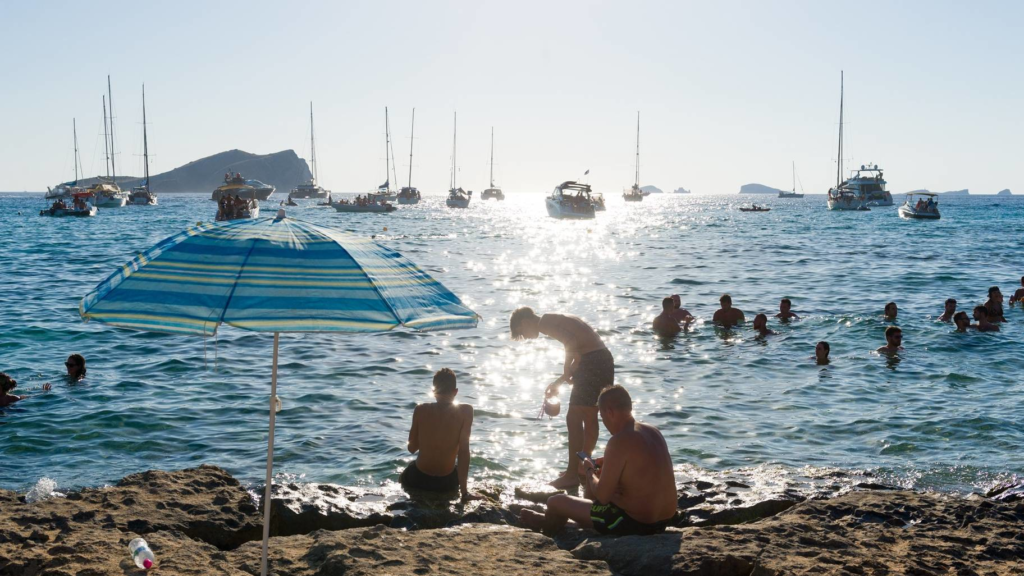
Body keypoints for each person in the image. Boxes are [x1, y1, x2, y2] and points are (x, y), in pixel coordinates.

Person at [518, 386, 677, 536]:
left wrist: (588, 471)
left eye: (601, 417)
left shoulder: (619, 440)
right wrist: (608, 465)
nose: (604, 423)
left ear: (609, 412)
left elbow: (602, 496)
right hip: (663, 521)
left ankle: (548, 525)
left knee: (555, 502)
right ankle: (577, 524)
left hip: (634, 524)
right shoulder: (652, 430)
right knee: (600, 482)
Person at [510, 307, 613, 489]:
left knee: (574, 417)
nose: (524, 337)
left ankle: (573, 474)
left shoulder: (545, 322)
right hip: (601, 359)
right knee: (589, 416)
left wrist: (566, 367)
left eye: (521, 333)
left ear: (524, 322)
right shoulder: (556, 319)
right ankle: (581, 466)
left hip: (594, 361)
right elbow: (578, 354)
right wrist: (559, 381)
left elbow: (571, 344)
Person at [401, 368, 481, 500]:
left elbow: (411, 448)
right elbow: (464, 451)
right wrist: (465, 492)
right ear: (455, 392)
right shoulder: (466, 411)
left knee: (406, 473)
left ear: (433, 391)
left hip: (418, 479)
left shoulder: (420, 410)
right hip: (447, 483)